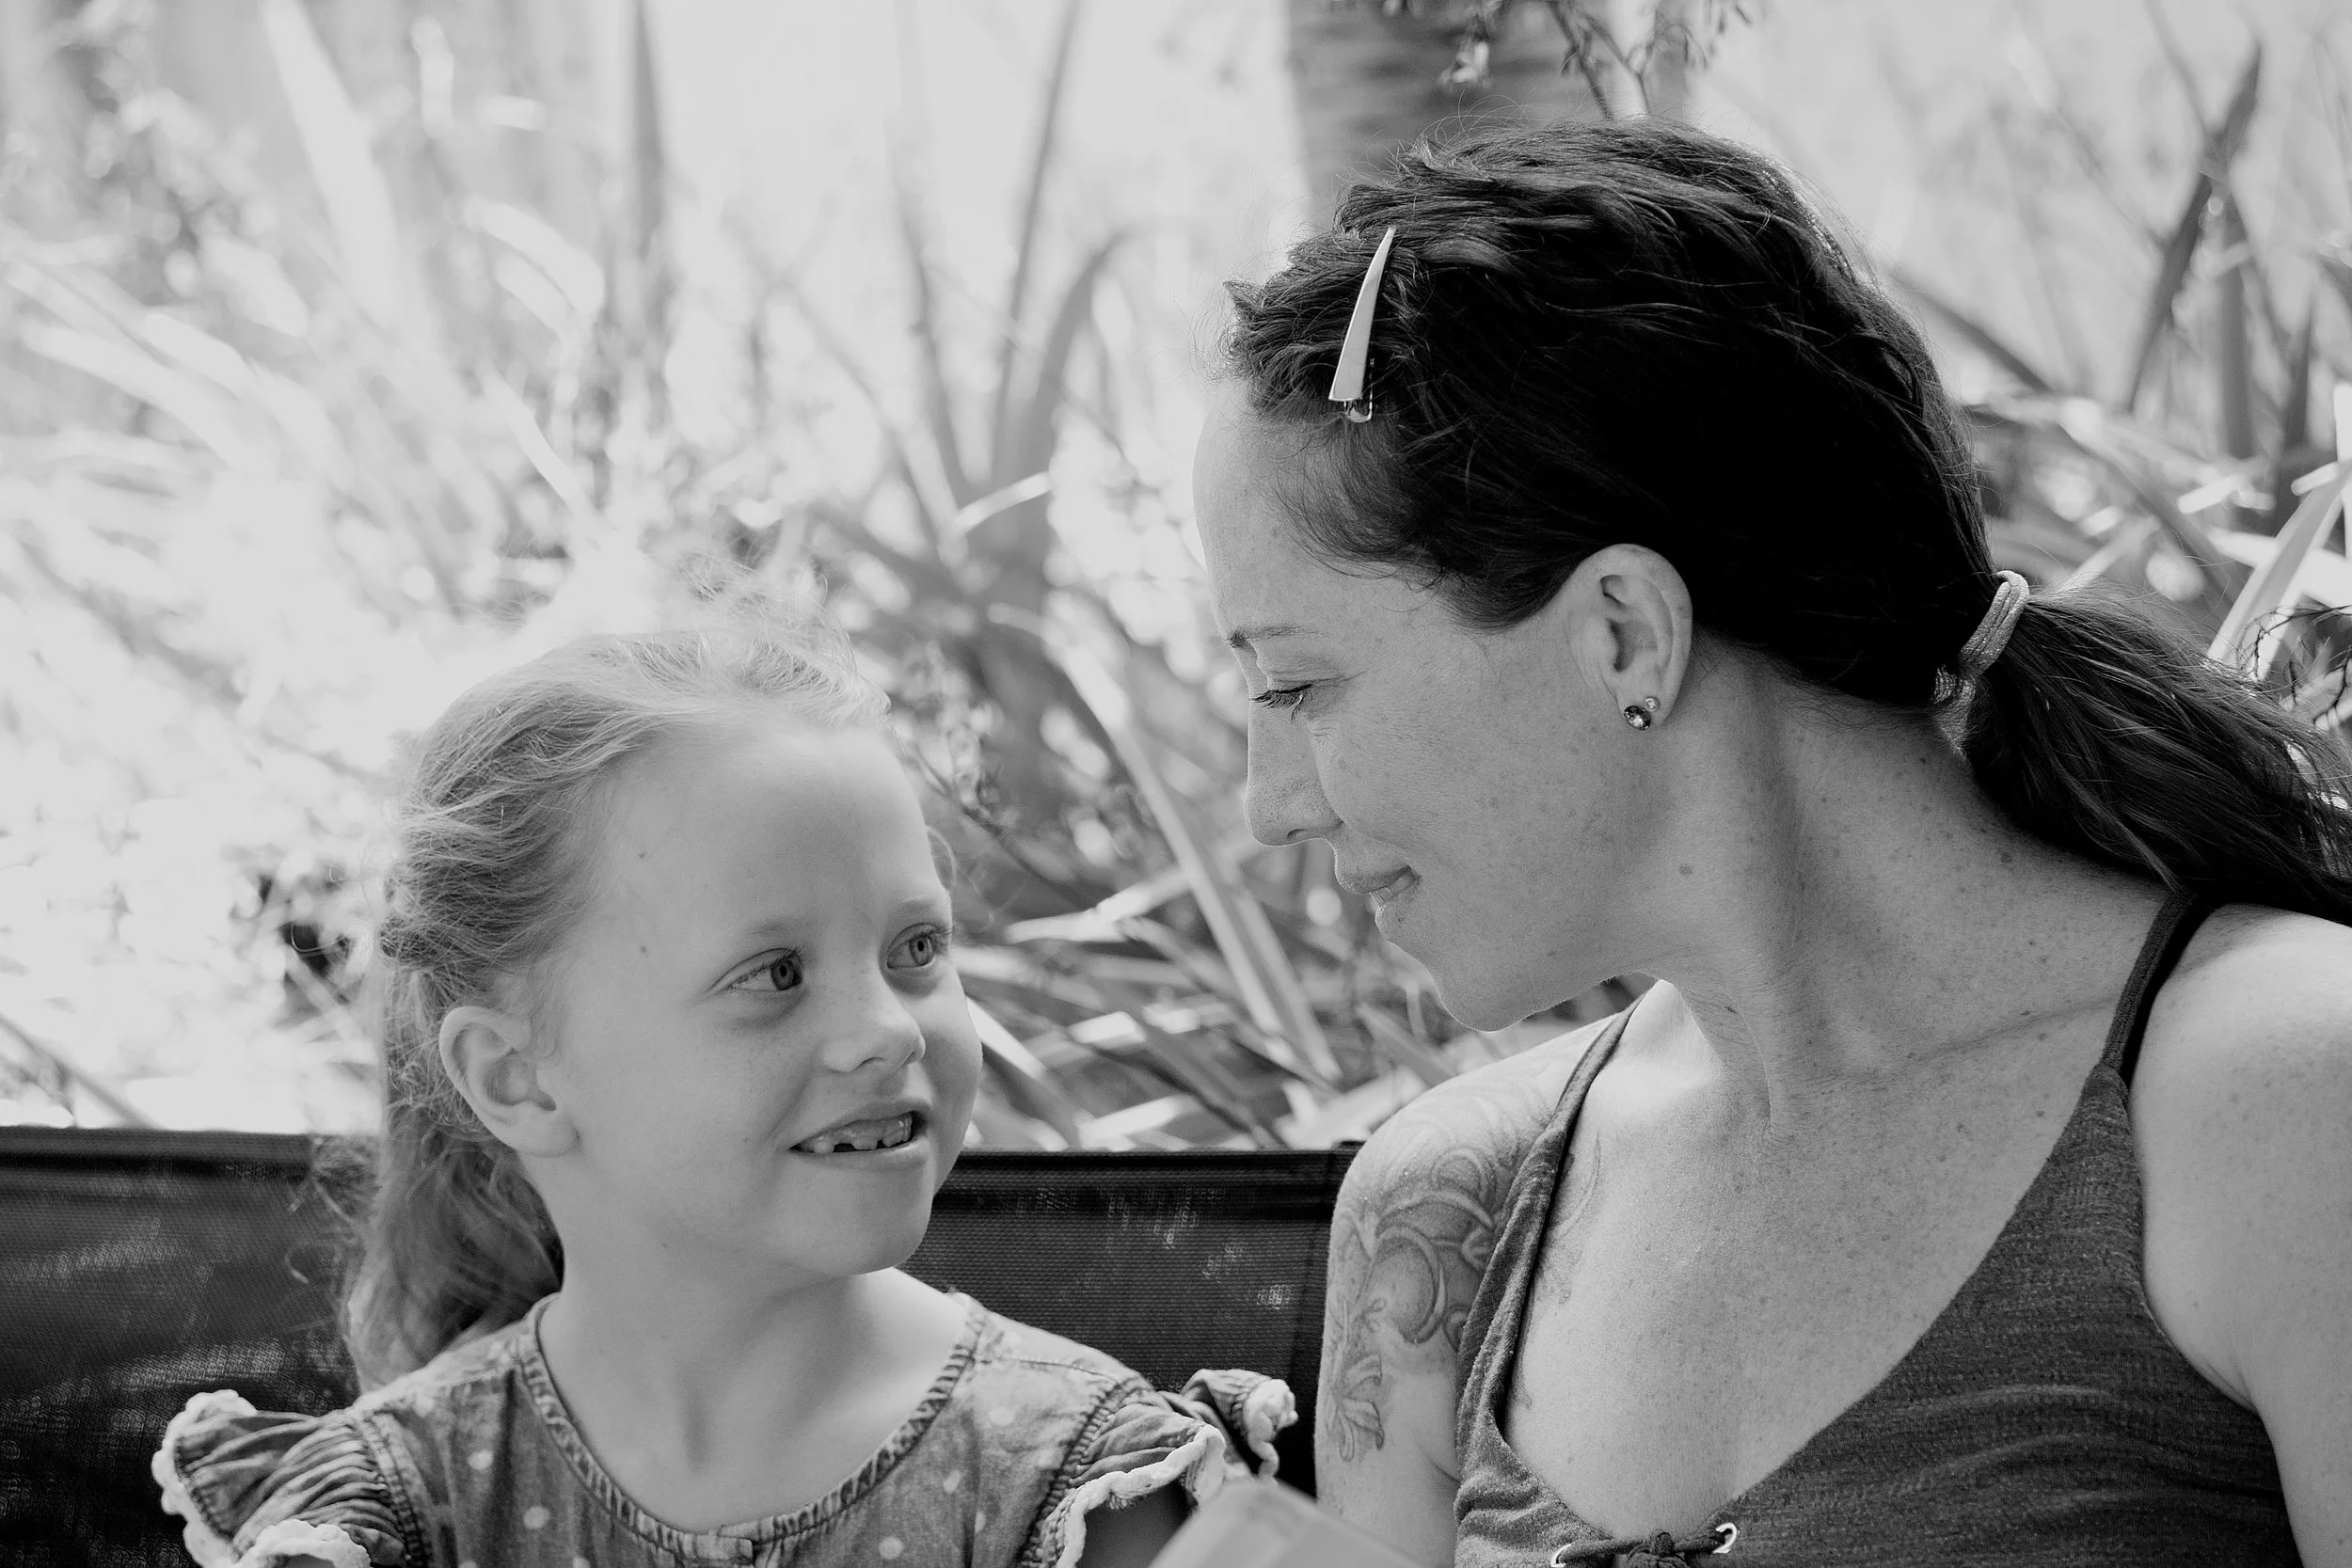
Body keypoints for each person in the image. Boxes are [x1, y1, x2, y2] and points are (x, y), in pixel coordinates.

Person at [1197, 119, 2352, 1567]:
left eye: (1299, 684)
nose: (1268, 803)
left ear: (1625, 631)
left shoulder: (2289, 1102)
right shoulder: (1448, 1213)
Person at [151, 616, 1290, 1568]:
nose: (889, 1030)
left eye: (916, 949)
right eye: (775, 975)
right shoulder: (396, 1507)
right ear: (516, 1076)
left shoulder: (1077, 1487)